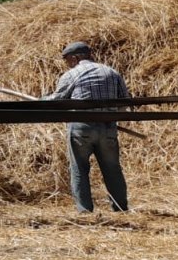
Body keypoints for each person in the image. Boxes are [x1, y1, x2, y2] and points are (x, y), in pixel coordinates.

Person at [43, 41, 131, 213]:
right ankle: (120, 208)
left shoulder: (72, 74)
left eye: (67, 60)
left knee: (79, 169)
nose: (67, 64)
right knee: (113, 169)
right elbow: (124, 104)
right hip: (108, 128)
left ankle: (84, 211)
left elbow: (56, 102)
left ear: (75, 58)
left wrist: (42, 100)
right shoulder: (112, 72)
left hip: (81, 128)